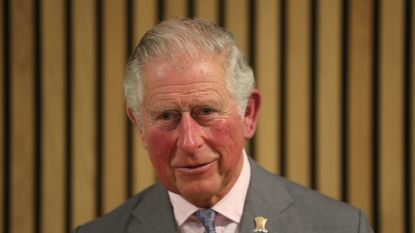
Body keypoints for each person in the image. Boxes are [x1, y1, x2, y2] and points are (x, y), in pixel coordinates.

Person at [75, 18, 373, 233]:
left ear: (248, 114)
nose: (190, 142)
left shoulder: (341, 227)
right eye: (167, 116)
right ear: (140, 126)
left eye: (206, 111)